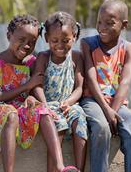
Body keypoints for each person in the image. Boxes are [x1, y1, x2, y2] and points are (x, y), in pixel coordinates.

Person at [0, 14, 77, 172]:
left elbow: (34, 90)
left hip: (21, 107)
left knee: (44, 111)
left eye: (32, 42)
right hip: (0, 109)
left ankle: (60, 167)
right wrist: (27, 86)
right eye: (21, 40)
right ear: (9, 35)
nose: (26, 46)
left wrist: (34, 99)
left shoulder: (31, 62)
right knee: (11, 115)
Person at [80, 0, 131, 172]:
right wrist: (107, 112)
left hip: (117, 103)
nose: (102, 27)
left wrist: (113, 111)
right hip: (92, 100)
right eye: (99, 22)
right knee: (101, 128)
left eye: (110, 23)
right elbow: (91, 79)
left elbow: (125, 82)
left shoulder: (130, 48)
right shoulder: (88, 44)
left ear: (124, 25)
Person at [32, 11, 88, 172]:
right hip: (48, 104)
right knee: (60, 126)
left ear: (74, 37)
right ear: (46, 38)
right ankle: (56, 169)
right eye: (54, 40)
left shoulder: (76, 57)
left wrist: (69, 102)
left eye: (66, 40)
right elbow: (37, 85)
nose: (60, 45)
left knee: (80, 121)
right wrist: (45, 106)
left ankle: (78, 169)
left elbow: (79, 87)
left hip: (68, 104)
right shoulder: (43, 57)